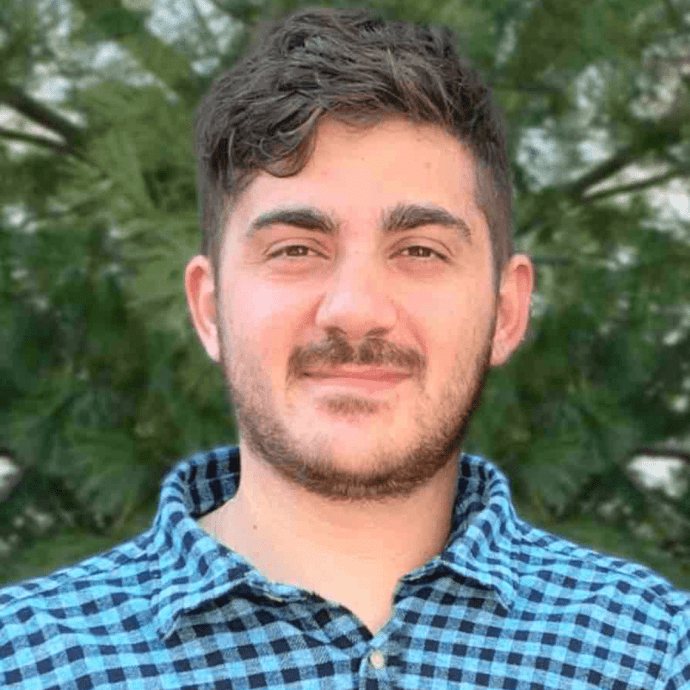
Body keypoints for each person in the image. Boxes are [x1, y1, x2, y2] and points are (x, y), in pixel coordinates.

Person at [1, 7, 689, 689]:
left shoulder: (657, 656)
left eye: (419, 250)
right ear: (209, 309)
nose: (356, 310)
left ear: (507, 311)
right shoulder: (23, 660)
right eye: (296, 249)